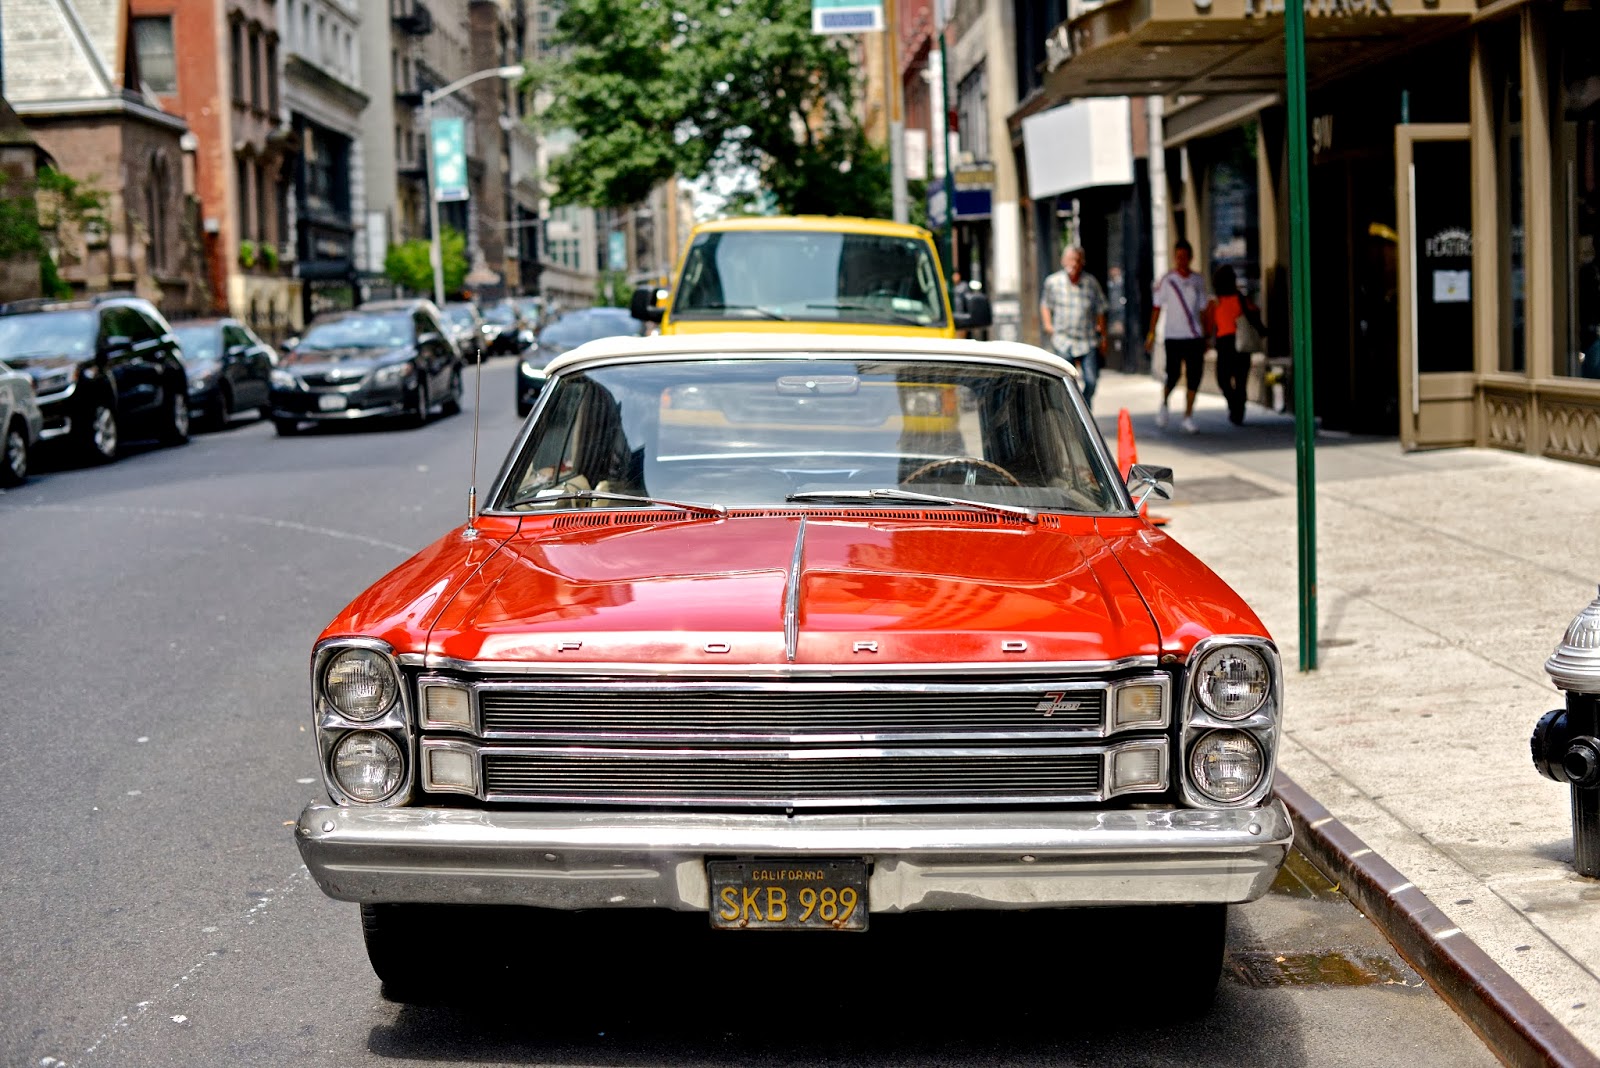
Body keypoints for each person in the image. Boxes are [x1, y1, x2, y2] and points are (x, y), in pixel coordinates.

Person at [1148, 239, 1208, 433]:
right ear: (1175, 257)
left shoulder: (1197, 281)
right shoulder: (1167, 280)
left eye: (1185, 257)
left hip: (1194, 336)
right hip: (1173, 335)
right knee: (1173, 374)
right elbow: (1157, 308)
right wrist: (1151, 333)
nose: (1181, 260)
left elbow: (1204, 309)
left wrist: (1207, 336)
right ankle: (1164, 403)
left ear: (1191, 258)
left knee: (1194, 376)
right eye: (1178, 256)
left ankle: (1188, 416)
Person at [1039, 246, 1108, 409]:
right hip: (1063, 339)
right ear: (1063, 261)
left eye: (1077, 260)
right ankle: (1070, 409)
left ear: (1082, 262)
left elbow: (1100, 309)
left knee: (1091, 380)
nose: (1074, 264)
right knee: (1065, 380)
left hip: (1087, 339)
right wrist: (1048, 325)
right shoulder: (1053, 282)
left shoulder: (1090, 283)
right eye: (1070, 260)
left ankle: (1083, 406)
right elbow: (1045, 305)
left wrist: (1103, 336)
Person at [1206, 264, 1267, 425]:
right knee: (1239, 380)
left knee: (1224, 379)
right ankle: (1237, 409)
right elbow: (1254, 313)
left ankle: (1235, 408)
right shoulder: (1239, 298)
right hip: (1239, 344)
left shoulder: (1217, 302)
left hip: (1227, 343)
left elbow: (1210, 324)